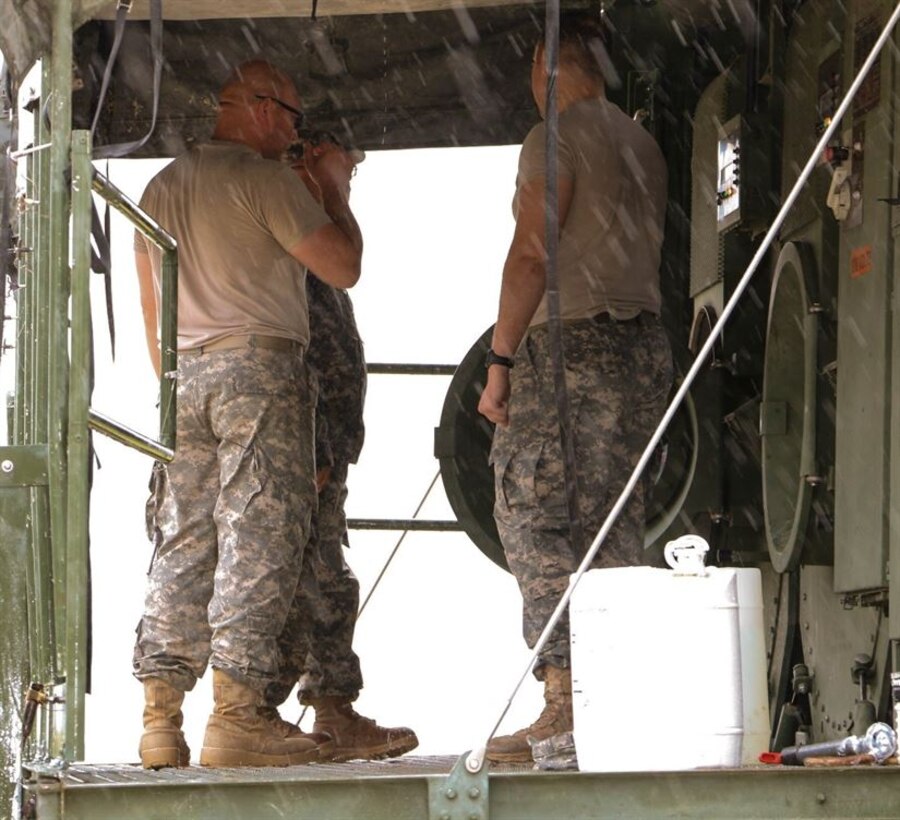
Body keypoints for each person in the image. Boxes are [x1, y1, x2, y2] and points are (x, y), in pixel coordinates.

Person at [132, 60, 363, 769]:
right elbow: (343, 266)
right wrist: (330, 191)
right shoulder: (262, 181)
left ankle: (160, 718)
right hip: (258, 369)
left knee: (185, 542)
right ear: (262, 110)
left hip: (185, 375)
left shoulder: (163, 186)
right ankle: (237, 715)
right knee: (258, 538)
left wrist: (179, 383)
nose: (294, 134)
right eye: (292, 119)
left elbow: (152, 308)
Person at [477, 14, 673, 763]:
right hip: (641, 348)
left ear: (546, 68)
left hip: (572, 346)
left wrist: (500, 359)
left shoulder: (552, 138)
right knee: (614, 521)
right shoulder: (642, 141)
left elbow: (533, 254)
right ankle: (613, 700)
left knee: (533, 508)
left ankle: (564, 700)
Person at [263, 138, 419, 761]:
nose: (352, 172)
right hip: (304, 445)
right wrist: (317, 447)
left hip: (318, 445)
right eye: (343, 161)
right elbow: (299, 353)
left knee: (315, 578)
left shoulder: (304, 232)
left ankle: (315, 713)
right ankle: (306, 713)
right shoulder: (295, 232)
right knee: (310, 581)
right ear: (306, 160)